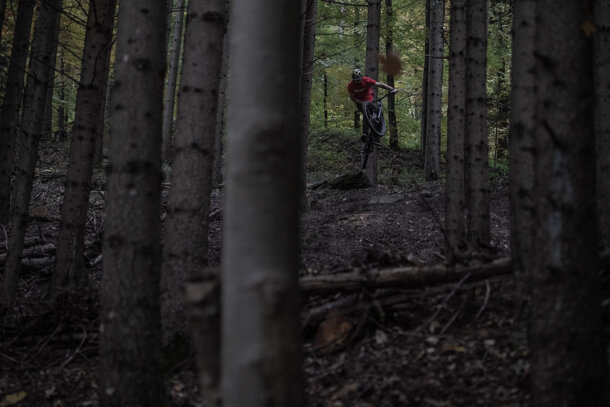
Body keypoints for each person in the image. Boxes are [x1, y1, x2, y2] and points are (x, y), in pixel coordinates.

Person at [347, 68, 397, 142]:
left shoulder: (366, 80)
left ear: (361, 77)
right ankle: (365, 134)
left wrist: (392, 89)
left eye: (359, 80)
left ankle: (377, 133)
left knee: (374, 112)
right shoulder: (351, 86)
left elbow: (380, 84)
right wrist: (362, 103)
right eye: (356, 80)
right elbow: (353, 98)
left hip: (369, 99)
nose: (358, 82)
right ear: (353, 80)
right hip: (359, 102)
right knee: (366, 113)